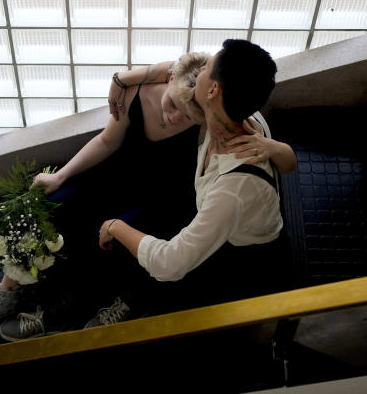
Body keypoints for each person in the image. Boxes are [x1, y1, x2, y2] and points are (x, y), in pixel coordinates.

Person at [0, 51, 293, 339]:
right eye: (172, 104)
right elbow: (107, 140)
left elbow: (278, 155)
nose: (173, 116)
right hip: (115, 176)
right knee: (51, 205)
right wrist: (61, 175)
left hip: (165, 195)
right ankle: (6, 292)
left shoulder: (213, 120)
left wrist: (272, 146)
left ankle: (78, 306)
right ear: (170, 78)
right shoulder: (146, 88)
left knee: (115, 243)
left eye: (185, 115)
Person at [94, 39, 292, 320]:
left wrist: (114, 226)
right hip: (221, 214)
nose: (202, 67)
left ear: (212, 89)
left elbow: (169, 264)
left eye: (209, 66)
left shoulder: (233, 190)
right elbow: (178, 69)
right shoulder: (236, 112)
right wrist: (122, 79)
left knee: (170, 281)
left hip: (239, 257)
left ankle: (135, 304)